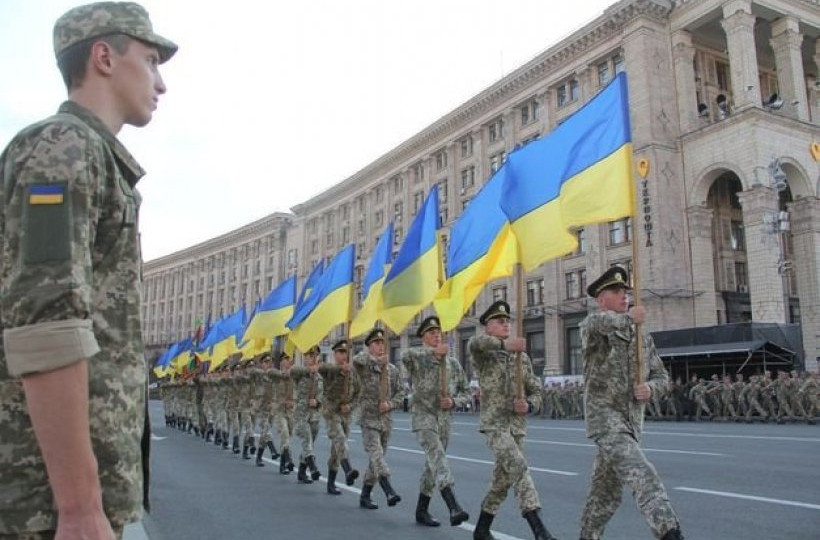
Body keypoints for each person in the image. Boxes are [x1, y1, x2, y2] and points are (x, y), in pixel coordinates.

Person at [0, 3, 176, 538]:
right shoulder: (63, 147)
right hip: (47, 507)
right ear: (104, 56)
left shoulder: (94, 156)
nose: (161, 83)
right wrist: (79, 506)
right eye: (150, 60)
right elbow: (47, 322)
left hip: (73, 497)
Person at [578, 267, 683, 540]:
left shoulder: (642, 338)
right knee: (644, 475)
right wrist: (630, 321)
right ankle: (670, 533)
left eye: (626, 292)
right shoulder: (594, 327)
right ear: (601, 299)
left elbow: (662, 376)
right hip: (606, 420)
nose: (624, 296)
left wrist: (650, 388)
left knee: (605, 496)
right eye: (616, 292)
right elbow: (601, 324)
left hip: (632, 423)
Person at [468, 301, 555, 540]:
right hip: (495, 424)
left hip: (517, 427)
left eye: (507, 321)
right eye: (499, 321)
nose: (506, 324)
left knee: (502, 480)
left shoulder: (521, 358)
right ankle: (539, 528)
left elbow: (536, 390)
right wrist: (505, 344)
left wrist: (529, 405)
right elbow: (476, 344)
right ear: (488, 328)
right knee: (519, 468)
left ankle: (482, 528)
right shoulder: (483, 352)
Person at [401, 316, 470, 527]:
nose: (436, 335)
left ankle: (421, 510)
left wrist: (454, 401)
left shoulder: (453, 364)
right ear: (423, 337)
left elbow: (467, 392)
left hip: (444, 420)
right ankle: (453, 506)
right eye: (431, 333)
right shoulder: (419, 357)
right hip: (424, 417)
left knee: (431, 466)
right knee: (438, 458)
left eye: (439, 333)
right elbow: (405, 355)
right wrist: (433, 352)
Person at [354, 328, 405, 510]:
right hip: (368, 418)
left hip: (385, 420)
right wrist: (375, 360)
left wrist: (390, 404)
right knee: (377, 455)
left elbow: (401, 393)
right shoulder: (365, 364)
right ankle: (388, 489)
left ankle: (365, 494)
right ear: (369, 347)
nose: (381, 346)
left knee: (376, 458)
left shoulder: (392, 370)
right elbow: (357, 359)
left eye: (382, 343)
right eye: (376, 343)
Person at [318, 339, 362, 494]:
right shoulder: (330, 370)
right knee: (340, 440)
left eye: (345, 353)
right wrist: (339, 370)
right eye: (340, 353)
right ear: (335, 354)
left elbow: (358, 393)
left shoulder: (352, 373)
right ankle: (348, 469)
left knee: (336, 450)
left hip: (346, 415)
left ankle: (331, 483)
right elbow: (321, 368)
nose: (343, 356)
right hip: (331, 413)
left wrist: (350, 406)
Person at [291, 345, 324, 484]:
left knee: (310, 442)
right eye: (307, 356)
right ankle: (313, 467)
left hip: (314, 415)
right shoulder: (300, 373)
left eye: (313, 356)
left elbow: (322, 394)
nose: (309, 359)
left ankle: (302, 471)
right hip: (301, 414)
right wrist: (308, 370)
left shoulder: (319, 376)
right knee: (307, 439)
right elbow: (292, 370)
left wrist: (316, 401)